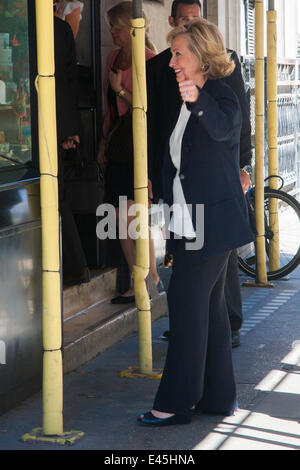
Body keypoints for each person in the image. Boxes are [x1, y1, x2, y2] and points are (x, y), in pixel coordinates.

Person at [138, 18, 254, 426]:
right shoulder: (183, 97)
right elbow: (179, 165)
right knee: (210, 315)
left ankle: (174, 405)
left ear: (202, 56)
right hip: (193, 224)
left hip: (213, 226)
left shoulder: (221, 95)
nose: (172, 61)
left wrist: (198, 98)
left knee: (186, 314)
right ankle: (219, 399)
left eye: (179, 53)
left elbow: (225, 131)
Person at [99, 1, 163, 305]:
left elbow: (149, 110)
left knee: (135, 217)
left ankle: (149, 279)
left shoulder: (149, 60)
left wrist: (121, 89)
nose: (112, 32)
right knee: (117, 217)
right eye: (111, 26)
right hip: (118, 148)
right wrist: (103, 144)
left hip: (140, 148)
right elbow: (109, 110)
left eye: (117, 27)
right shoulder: (113, 58)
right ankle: (139, 280)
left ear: (132, 29)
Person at [54, 15, 90, 285]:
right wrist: (69, 128)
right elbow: (69, 81)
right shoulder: (60, 28)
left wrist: (69, 129)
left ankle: (74, 266)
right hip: (53, 125)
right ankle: (74, 267)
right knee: (57, 194)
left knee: (57, 195)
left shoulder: (58, 29)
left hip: (46, 126)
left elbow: (67, 81)